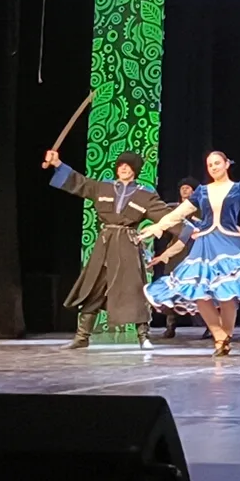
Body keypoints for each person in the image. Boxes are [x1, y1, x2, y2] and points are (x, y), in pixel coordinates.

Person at [139, 151, 240, 356]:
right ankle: (219, 336)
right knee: (199, 292)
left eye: (217, 163)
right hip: (204, 244)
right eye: (210, 165)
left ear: (226, 164)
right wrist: (158, 227)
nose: (214, 167)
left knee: (228, 293)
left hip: (228, 243)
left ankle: (226, 337)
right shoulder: (202, 191)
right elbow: (178, 214)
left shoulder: (239, 188)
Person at [43, 149, 186, 351]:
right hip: (105, 243)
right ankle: (82, 336)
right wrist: (58, 164)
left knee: (134, 289)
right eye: (120, 165)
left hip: (127, 244)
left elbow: (166, 216)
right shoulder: (103, 187)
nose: (123, 168)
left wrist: (191, 231)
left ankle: (143, 336)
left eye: (128, 166)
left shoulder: (145, 195)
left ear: (135, 170)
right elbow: (80, 182)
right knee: (93, 288)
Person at [161, 177, 202, 339]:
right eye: (182, 187)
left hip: (195, 251)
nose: (184, 190)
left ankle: (210, 325)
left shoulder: (201, 209)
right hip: (176, 252)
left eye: (188, 188)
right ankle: (170, 325)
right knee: (171, 287)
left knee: (199, 288)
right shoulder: (172, 209)